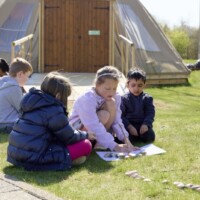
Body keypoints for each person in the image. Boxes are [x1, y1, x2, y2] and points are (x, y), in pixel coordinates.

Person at [7, 72, 96, 171]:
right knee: (86, 145)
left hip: (15, 155)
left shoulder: (31, 102)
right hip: (35, 158)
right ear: (58, 95)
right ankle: (71, 160)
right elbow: (69, 137)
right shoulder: (53, 109)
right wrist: (86, 135)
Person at [69, 66, 139, 152]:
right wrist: (114, 146)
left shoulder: (115, 97)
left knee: (111, 103)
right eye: (107, 88)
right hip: (78, 130)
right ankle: (92, 142)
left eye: (114, 88)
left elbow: (117, 121)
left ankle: (99, 143)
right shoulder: (87, 99)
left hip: (95, 131)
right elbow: (93, 125)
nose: (111, 92)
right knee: (104, 115)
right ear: (97, 85)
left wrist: (126, 140)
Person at [121, 68, 155, 144]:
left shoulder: (148, 98)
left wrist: (146, 124)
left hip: (142, 125)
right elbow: (121, 116)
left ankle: (141, 135)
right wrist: (129, 126)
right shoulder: (123, 99)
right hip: (129, 126)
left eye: (140, 85)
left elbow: (150, 113)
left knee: (150, 137)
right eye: (133, 85)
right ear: (127, 85)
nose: (136, 88)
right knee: (127, 139)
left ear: (144, 85)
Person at [0, 57, 33, 133]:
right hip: (8, 124)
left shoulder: (4, 82)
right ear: (20, 74)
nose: (27, 79)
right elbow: (22, 109)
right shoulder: (14, 87)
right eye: (28, 76)